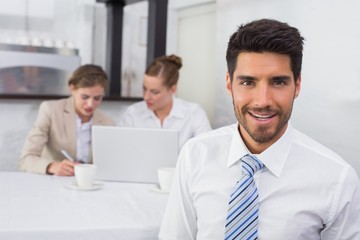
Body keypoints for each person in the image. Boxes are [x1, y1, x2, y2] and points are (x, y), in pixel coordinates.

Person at [159, 19, 360, 239]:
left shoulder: (337, 179)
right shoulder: (195, 155)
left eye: (278, 82)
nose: (262, 101)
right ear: (229, 84)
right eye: (247, 82)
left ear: (297, 85)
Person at [19, 64, 115, 176]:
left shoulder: (108, 122)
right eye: (85, 97)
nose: (90, 104)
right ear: (72, 89)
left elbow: (110, 164)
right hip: (54, 183)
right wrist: (52, 166)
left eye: (97, 98)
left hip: (89, 185)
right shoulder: (51, 110)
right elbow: (26, 159)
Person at [118, 54, 211, 149]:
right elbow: (120, 150)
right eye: (144, 89)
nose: (146, 97)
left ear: (173, 89)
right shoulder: (132, 114)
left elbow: (206, 152)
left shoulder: (194, 113)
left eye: (155, 92)